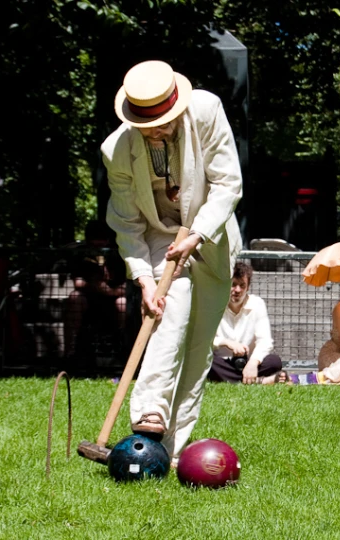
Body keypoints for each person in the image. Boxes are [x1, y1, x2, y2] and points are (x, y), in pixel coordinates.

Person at [101, 60, 242, 466]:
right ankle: (150, 414)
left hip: (209, 234)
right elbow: (126, 223)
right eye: (149, 125)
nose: (158, 129)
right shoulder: (118, 151)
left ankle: (171, 451)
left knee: (199, 349)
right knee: (170, 309)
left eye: (165, 120)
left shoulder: (207, 110)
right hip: (160, 234)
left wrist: (197, 233)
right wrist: (145, 279)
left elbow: (227, 183)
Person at [208, 261, 286, 385]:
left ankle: (237, 379)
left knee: (274, 361)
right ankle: (261, 381)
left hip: (248, 362)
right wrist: (225, 342)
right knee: (206, 361)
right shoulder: (213, 304)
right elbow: (204, 340)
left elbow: (265, 341)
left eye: (242, 285)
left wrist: (253, 363)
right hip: (222, 362)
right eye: (233, 285)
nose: (237, 290)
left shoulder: (257, 304)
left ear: (248, 287)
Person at [60, 219, 127, 362]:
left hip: (113, 300)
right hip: (89, 300)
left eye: (102, 241)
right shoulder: (81, 255)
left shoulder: (118, 255)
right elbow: (77, 282)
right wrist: (95, 287)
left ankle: (123, 349)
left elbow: (126, 286)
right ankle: (69, 354)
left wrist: (109, 291)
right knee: (74, 298)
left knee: (123, 303)